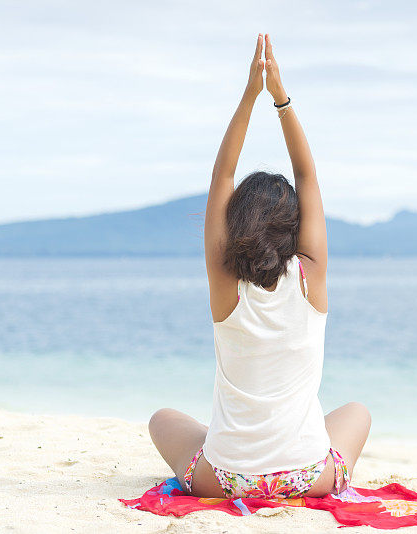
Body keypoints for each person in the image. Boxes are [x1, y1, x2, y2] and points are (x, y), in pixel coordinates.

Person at [148, 33, 371, 499]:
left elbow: (221, 176)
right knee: (357, 413)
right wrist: (280, 99)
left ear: (236, 222)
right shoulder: (311, 277)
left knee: (163, 420)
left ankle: (239, 445)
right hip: (308, 477)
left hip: (227, 479)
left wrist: (249, 94)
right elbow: (307, 175)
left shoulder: (224, 281)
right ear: (295, 227)